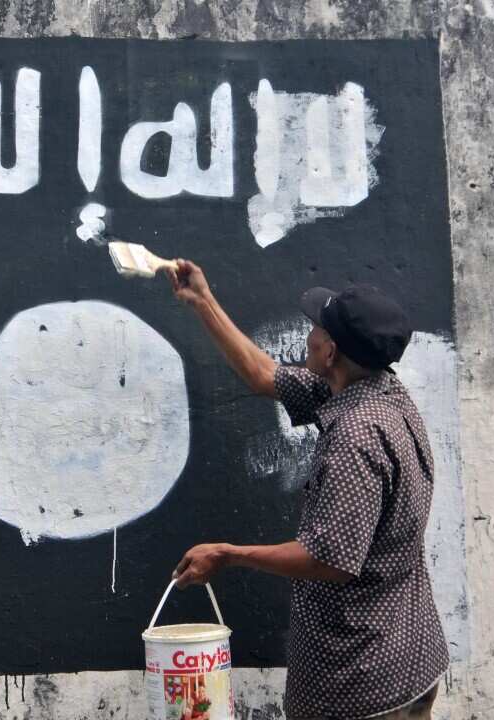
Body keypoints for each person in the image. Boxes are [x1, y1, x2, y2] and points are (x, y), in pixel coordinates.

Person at [165, 259, 448, 720]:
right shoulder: (376, 391)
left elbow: (329, 561)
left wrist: (229, 554)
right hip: (410, 661)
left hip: (361, 686)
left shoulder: (355, 437)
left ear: (331, 351)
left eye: (317, 328)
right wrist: (204, 302)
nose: (310, 333)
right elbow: (262, 374)